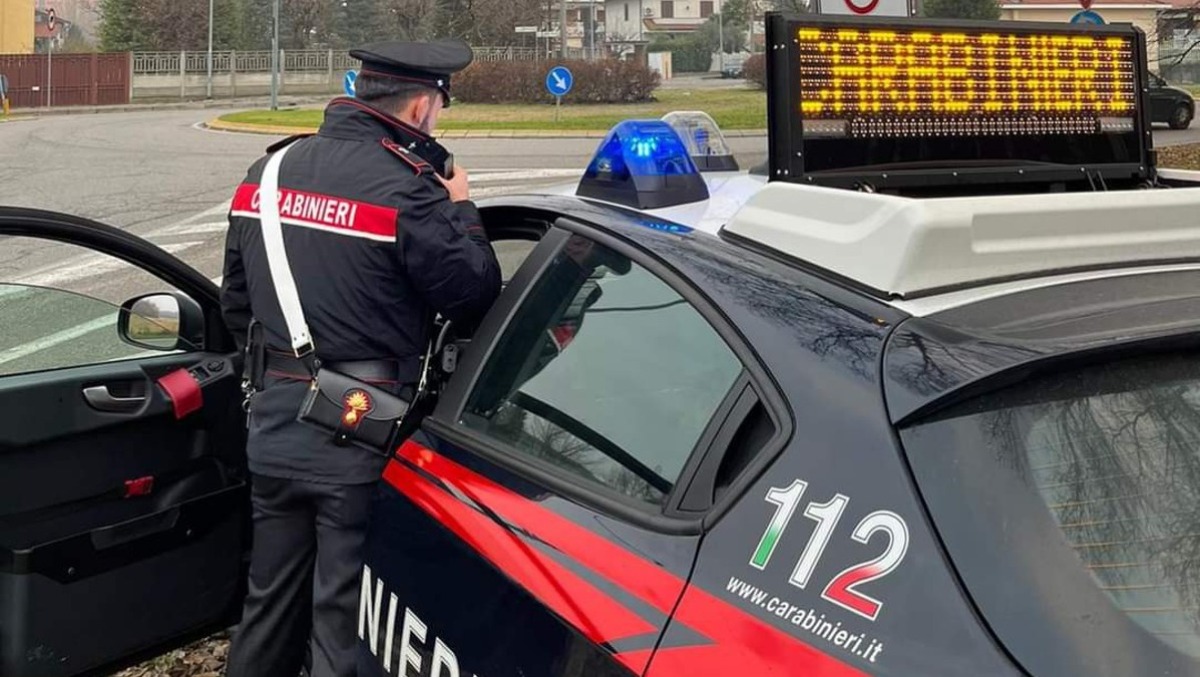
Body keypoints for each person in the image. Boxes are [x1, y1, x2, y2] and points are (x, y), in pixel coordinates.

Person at [218, 38, 502, 677]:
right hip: (358, 435)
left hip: (272, 426)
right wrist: (461, 206)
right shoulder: (409, 189)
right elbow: (474, 291)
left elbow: (235, 306)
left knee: (267, 603)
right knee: (339, 621)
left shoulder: (265, 173)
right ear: (424, 105)